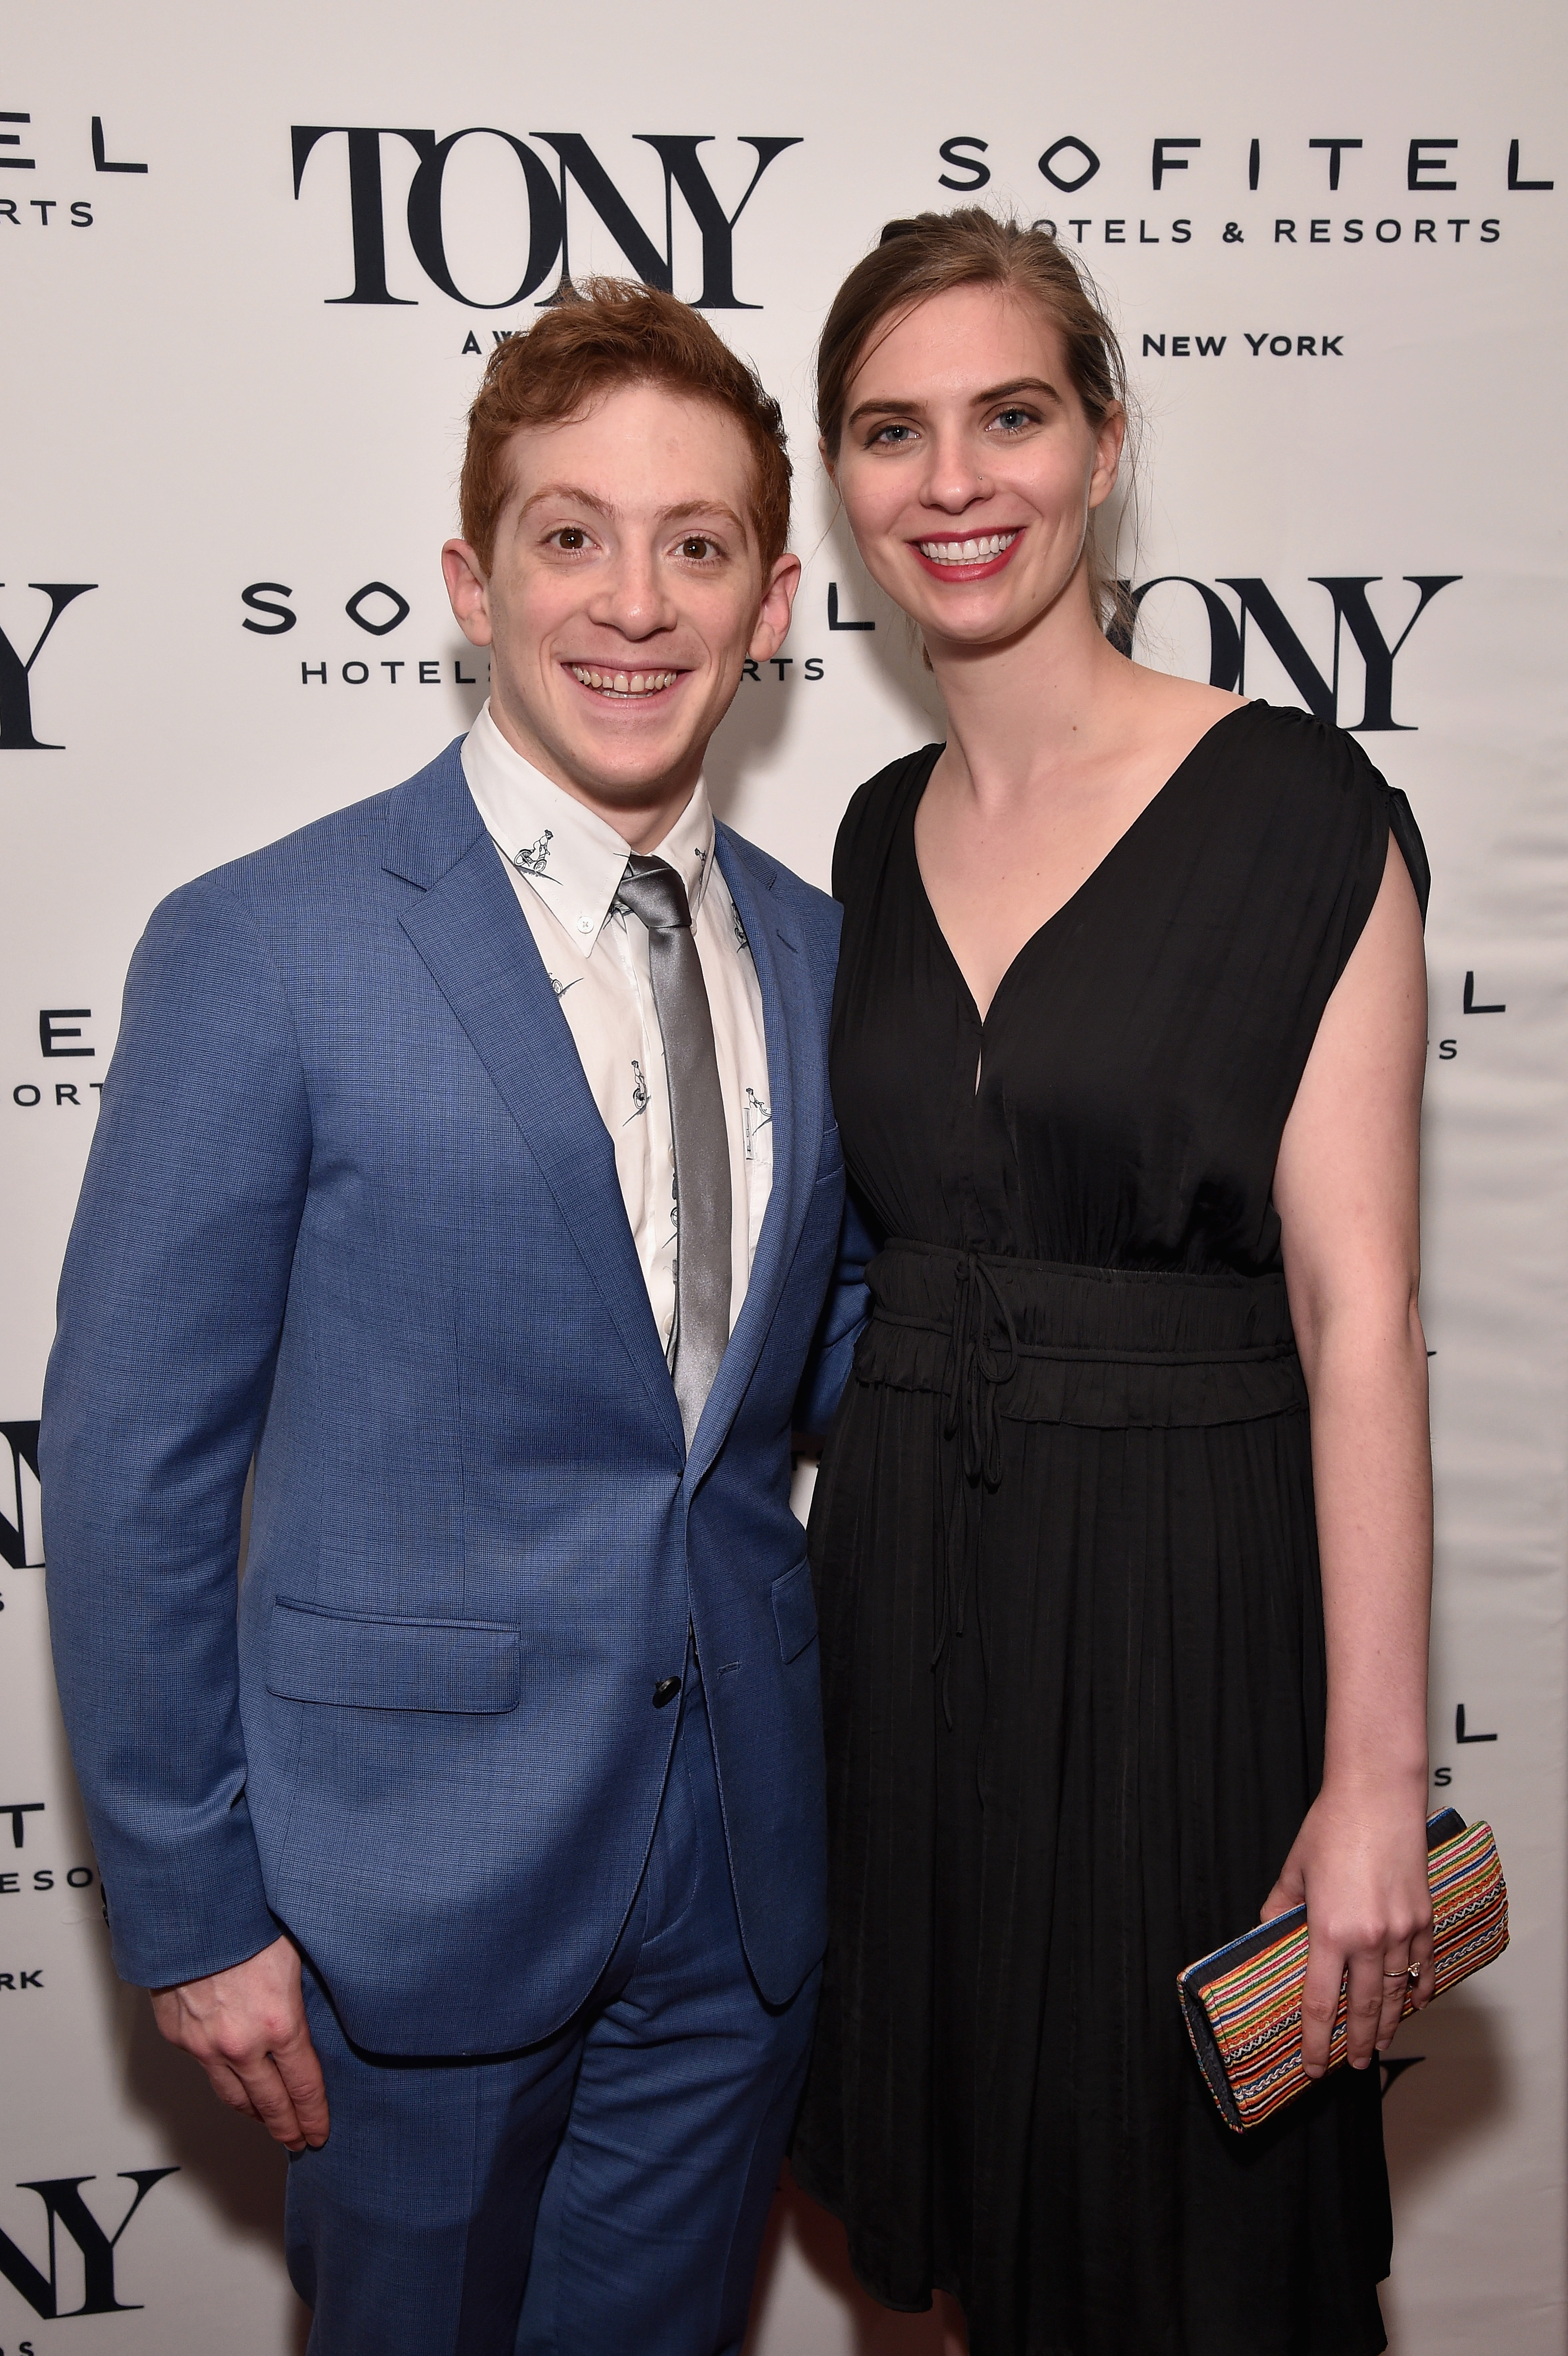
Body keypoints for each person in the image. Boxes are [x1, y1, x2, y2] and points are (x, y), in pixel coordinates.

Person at [41, 280, 863, 2356]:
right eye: (567, 535)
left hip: (738, 1908)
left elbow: (862, 1376)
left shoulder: (839, 963)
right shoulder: (265, 948)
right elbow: (133, 1464)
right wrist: (196, 1907)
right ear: (467, 583)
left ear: (772, 602)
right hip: (397, 1911)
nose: (631, 601)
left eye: (694, 547)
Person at [789, 210, 1436, 2356]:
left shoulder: (1293, 809)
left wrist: (1364, 1784)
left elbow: (1356, 1319)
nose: (950, 480)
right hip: (908, 1623)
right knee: (975, 2227)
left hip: (1183, 1616)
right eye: (890, 431)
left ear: (1101, 444)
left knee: (1181, 2263)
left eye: (1006, 416)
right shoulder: (867, 838)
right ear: (840, 484)